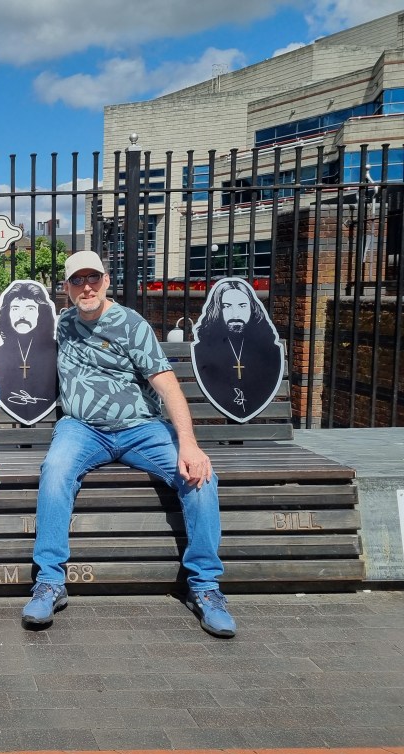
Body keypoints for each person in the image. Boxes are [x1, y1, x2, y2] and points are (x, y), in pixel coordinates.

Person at [22, 250, 236, 638]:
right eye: (77, 280)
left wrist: (188, 443)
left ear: (106, 281)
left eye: (93, 278)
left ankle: (205, 587)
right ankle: (50, 583)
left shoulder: (131, 324)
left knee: (200, 476)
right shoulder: (65, 323)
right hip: (82, 428)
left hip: (141, 429)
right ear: (67, 287)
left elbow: (167, 386)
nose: (86, 287)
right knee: (55, 471)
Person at [191, 277, 284, 422]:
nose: (235, 314)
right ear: (217, 310)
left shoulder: (268, 350)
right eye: (227, 306)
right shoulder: (202, 349)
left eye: (242, 306)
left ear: (252, 308)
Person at [0, 279, 58, 425]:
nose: (22, 315)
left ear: (41, 313)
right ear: (7, 313)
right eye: (15, 308)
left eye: (30, 308)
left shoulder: (58, 353)